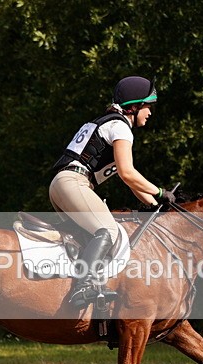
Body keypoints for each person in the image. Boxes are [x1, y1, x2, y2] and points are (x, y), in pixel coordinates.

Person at [49, 75, 176, 308]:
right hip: (75, 183)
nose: (150, 112)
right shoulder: (120, 127)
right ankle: (83, 287)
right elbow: (129, 173)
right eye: (147, 106)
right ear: (134, 105)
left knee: (87, 237)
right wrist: (160, 192)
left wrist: (154, 204)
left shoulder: (107, 123)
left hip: (63, 184)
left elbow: (129, 181)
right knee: (108, 229)